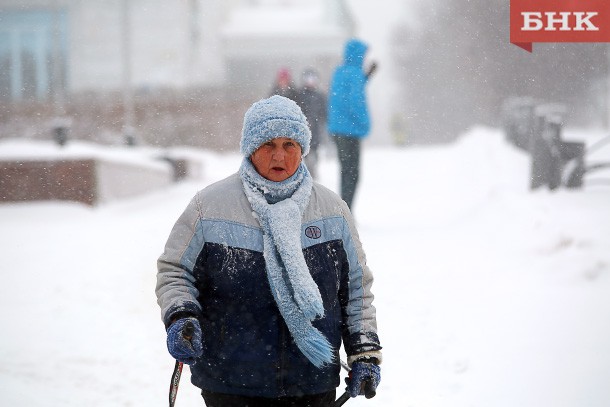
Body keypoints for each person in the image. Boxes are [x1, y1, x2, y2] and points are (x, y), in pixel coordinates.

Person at [156, 95, 382, 407]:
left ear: (302, 149)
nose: (279, 155)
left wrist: (364, 351)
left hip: (312, 382)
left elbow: (355, 289)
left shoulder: (331, 212)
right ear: (250, 149)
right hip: (230, 383)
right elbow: (175, 272)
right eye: (268, 145)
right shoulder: (209, 208)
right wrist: (181, 316)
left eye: (289, 144)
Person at [327, 38, 377, 209]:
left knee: (345, 171)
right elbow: (355, 101)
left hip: (337, 129)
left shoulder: (340, 72)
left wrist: (367, 76)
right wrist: (365, 124)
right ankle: (346, 211)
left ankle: (344, 209)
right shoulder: (355, 74)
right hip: (349, 131)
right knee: (352, 173)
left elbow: (344, 94)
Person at [294, 67, 327, 179]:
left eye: (312, 78)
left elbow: (324, 112)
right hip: (303, 129)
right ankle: (305, 172)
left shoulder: (320, 95)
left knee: (315, 151)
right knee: (304, 152)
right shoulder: (299, 94)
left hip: (316, 129)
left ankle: (313, 170)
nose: (310, 81)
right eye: (308, 78)